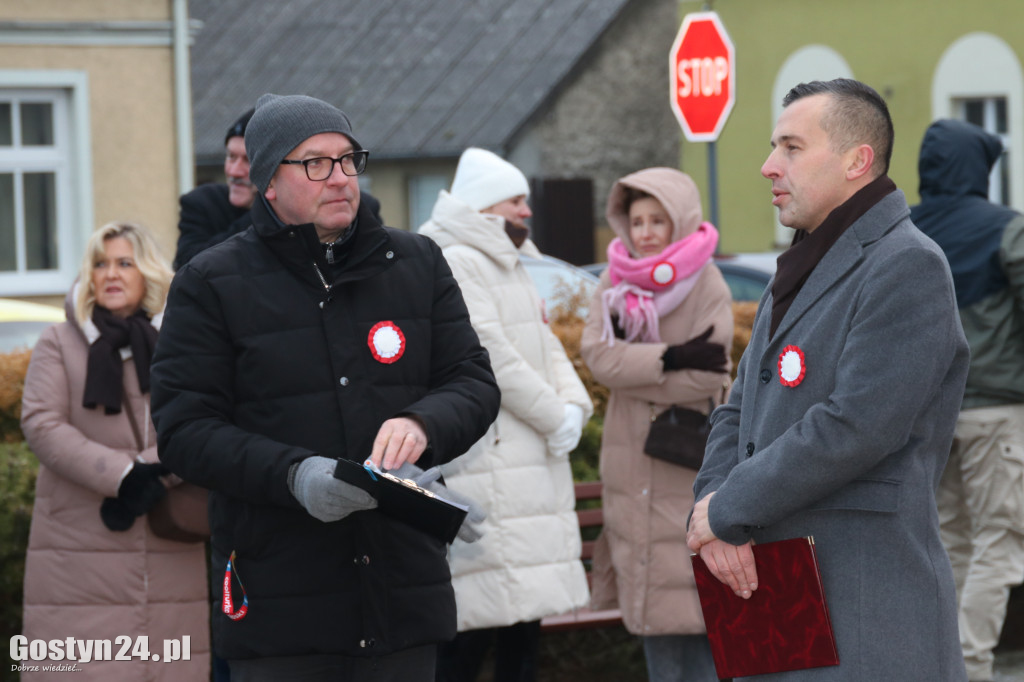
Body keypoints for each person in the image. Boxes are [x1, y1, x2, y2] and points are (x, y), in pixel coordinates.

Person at [150, 93, 500, 682]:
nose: (339, 177)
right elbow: (185, 432)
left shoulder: (416, 262)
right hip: (281, 603)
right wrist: (295, 474)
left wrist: (422, 424)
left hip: (402, 595)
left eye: (347, 159)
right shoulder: (210, 282)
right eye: (314, 162)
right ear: (268, 182)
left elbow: (473, 381)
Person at [686, 78, 971, 680]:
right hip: (774, 593)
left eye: (791, 147)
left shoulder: (908, 264)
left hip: (863, 603)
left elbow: (857, 425)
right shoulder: (801, 263)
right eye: (775, 146)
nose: (769, 166)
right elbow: (737, 410)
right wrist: (711, 514)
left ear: (856, 161)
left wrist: (728, 508)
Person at [417, 147, 593, 682]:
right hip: (490, 462)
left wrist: (575, 407)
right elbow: (491, 353)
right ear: (485, 204)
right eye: (516, 199)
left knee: (520, 624)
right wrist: (553, 416)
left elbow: (544, 341)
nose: (526, 210)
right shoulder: (457, 259)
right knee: (475, 626)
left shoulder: (505, 259)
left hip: (522, 465)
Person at [20, 221, 210, 680]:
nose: (111, 274)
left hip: (168, 537)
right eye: (100, 264)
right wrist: (122, 475)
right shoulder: (58, 341)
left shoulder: (182, 340)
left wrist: (153, 469)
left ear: (148, 272)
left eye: (125, 263)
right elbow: (42, 424)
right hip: (77, 544)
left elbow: (201, 419)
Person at [579, 167, 732, 682]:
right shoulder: (614, 280)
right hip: (629, 460)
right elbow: (598, 358)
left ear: (679, 221)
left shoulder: (706, 281)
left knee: (699, 605)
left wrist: (635, 371)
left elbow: (709, 375)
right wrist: (670, 357)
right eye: (637, 221)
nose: (644, 232)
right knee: (652, 609)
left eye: (657, 220)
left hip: (685, 460)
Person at [910, 118, 1024, 682]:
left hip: (926, 415)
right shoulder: (1007, 229)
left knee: (946, 542)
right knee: (999, 542)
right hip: (995, 411)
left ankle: (942, 667)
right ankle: (972, 669)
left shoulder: (903, 229)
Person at [173, 106, 385, 269]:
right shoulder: (204, 204)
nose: (235, 171)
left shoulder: (356, 209)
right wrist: (268, 209)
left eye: (247, 160)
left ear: (267, 169)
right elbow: (190, 265)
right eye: (231, 156)